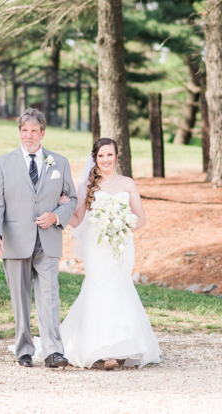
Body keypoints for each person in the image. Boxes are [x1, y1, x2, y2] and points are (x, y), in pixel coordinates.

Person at [0, 109, 78, 368]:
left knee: (49, 298)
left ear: (43, 133)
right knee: (21, 299)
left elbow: (72, 199)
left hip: (48, 240)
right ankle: (24, 350)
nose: (29, 135)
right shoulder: (3, 163)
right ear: (20, 133)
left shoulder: (59, 162)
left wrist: (56, 216)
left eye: (34, 131)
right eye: (24, 130)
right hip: (15, 240)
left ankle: (53, 352)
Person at [59, 137, 161, 369]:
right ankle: (101, 350)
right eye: (101, 155)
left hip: (121, 246)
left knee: (120, 287)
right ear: (95, 158)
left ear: (117, 157)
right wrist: (65, 204)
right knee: (99, 287)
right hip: (95, 246)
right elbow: (76, 221)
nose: (105, 159)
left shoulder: (127, 183)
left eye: (110, 155)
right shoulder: (87, 184)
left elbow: (141, 219)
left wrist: (119, 227)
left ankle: (121, 346)